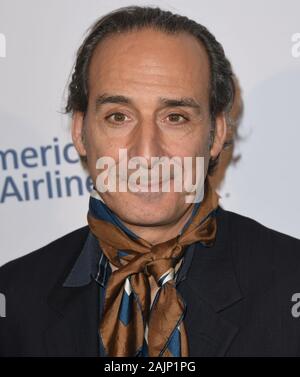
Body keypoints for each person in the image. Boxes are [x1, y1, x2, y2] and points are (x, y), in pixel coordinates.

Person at [0, 5, 299, 357]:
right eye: (118, 116)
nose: (146, 150)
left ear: (216, 133)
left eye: (175, 117)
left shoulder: (290, 282)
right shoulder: (13, 299)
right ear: (80, 132)